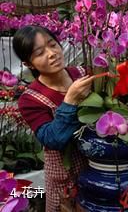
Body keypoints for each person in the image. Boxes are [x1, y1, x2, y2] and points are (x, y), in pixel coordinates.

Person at [13, 25, 95, 212]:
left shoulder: (82, 74)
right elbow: (52, 139)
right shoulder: (30, 99)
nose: (52, 54)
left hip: (97, 169)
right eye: (40, 52)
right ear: (29, 64)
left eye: (53, 45)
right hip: (65, 180)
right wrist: (70, 101)